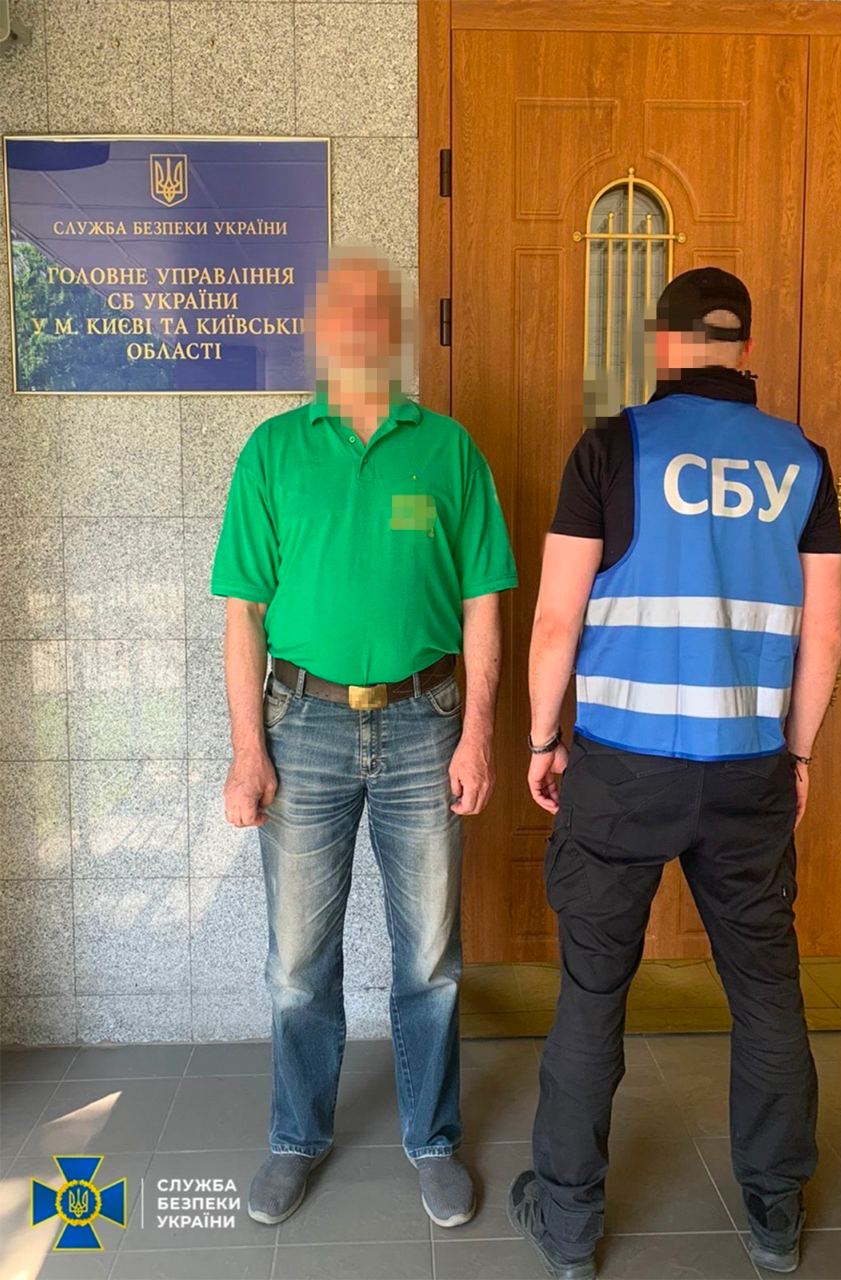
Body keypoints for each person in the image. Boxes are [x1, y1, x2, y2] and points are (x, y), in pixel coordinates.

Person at [508, 267, 841, 1279]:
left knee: (590, 993)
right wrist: (797, 752)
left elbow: (557, 619)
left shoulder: (613, 447)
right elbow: (826, 633)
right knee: (766, 991)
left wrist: (542, 739)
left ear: (661, 344)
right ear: (744, 349)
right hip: (746, 771)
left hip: (622, 771)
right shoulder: (801, 461)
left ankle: (568, 1222)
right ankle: (775, 1214)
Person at [210, 246, 518, 1229]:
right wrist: (247, 751)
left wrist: (477, 734)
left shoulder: (448, 450)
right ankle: (296, 1134)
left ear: (394, 330)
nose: (356, 327)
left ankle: (432, 1138)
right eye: (339, 310)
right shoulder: (272, 451)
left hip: (427, 725)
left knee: (428, 958)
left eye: (372, 310)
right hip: (300, 727)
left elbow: (482, 602)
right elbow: (242, 614)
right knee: (297, 961)